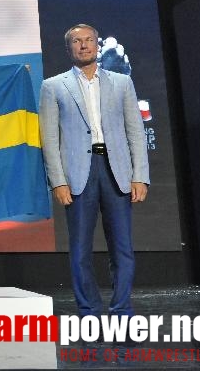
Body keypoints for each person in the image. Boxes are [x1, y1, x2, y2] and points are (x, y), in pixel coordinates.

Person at [39, 23, 149, 321]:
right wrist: (58, 180)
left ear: (97, 45)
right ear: (69, 48)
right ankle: (88, 311)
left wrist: (140, 175)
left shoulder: (121, 83)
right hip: (78, 175)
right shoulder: (53, 86)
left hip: (117, 172)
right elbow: (49, 138)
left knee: (123, 248)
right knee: (80, 250)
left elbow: (135, 132)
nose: (84, 45)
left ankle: (122, 310)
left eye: (89, 40)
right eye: (77, 41)